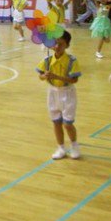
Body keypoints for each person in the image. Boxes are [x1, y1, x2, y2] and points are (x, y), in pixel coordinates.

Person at [36, 31, 81, 159]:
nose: (57, 46)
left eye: (60, 44)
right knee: (56, 122)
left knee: (67, 123)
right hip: (52, 92)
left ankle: (74, 145)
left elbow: (74, 80)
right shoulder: (47, 60)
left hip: (68, 93)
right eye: (55, 43)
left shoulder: (72, 61)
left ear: (67, 45)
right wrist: (44, 76)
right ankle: (61, 147)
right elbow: (40, 76)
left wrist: (57, 76)